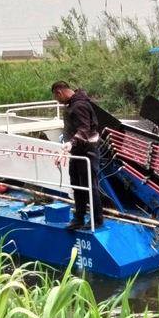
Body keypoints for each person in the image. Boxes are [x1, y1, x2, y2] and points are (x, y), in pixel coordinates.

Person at [51, 81, 104, 230]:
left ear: (59, 92)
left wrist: (71, 142)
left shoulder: (79, 105)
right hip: (77, 151)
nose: (58, 101)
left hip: (88, 152)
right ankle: (79, 218)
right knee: (76, 184)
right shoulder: (72, 105)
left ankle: (97, 220)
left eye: (56, 97)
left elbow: (84, 129)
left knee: (89, 186)